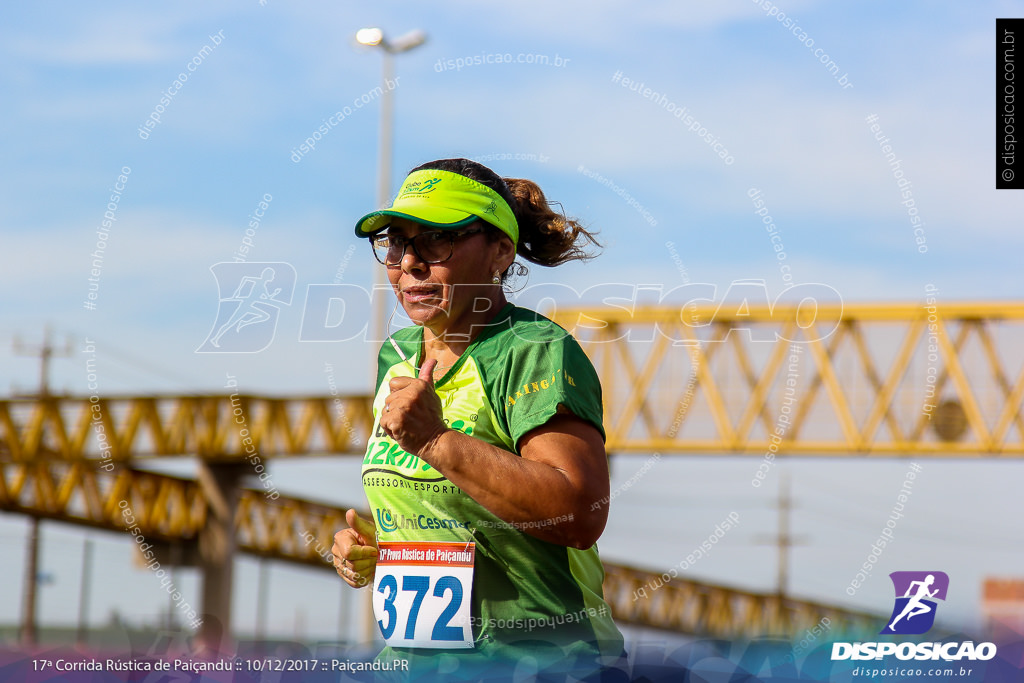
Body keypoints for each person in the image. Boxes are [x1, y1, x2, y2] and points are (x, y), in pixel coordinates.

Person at [332, 158, 626, 681]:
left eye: (437, 240)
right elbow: (447, 505)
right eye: (397, 243)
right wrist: (386, 547)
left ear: (501, 251)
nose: (411, 264)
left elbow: (581, 513)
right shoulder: (396, 356)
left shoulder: (534, 350)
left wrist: (437, 441)